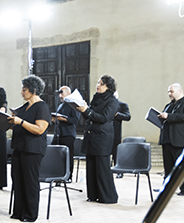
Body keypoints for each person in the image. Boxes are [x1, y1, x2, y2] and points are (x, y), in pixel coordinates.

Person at [7, 75, 50, 222]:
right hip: (19, 147)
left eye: (24, 90)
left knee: (30, 182)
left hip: (33, 150)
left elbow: (39, 129)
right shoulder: (24, 107)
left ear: (34, 90)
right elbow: (19, 123)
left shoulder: (42, 107)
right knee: (18, 180)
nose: (21, 92)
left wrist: (21, 122)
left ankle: (30, 214)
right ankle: (19, 211)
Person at [76, 75, 119, 204]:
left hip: (102, 138)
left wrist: (87, 111)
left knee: (102, 169)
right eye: (98, 83)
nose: (98, 85)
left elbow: (104, 118)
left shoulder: (112, 101)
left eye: (101, 83)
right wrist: (83, 109)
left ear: (108, 87)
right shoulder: (96, 98)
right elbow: (90, 116)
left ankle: (108, 197)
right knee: (91, 167)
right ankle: (93, 195)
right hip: (91, 136)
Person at [158, 83, 184, 196]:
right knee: (168, 167)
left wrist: (169, 117)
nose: (169, 94)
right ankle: (166, 188)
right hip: (167, 140)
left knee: (181, 167)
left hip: (179, 140)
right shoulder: (168, 105)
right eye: (168, 92)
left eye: (171, 91)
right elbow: (166, 117)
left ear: (180, 91)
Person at [52, 86, 79, 179]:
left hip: (68, 134)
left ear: (68, 94)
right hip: (59, 133)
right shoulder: (60, 105)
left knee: (68, 156)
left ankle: (68, 176)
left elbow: (75, 120)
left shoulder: (73, 104)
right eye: (59, 93)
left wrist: (63, 119)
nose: (60, 96)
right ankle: (58, 174)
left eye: (62, 93)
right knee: (56, 155)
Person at [112, 90, 130, 176]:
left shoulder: (122, 105)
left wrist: (117, 115)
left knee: (116, 152)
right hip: (105, 132)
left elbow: (128, 116)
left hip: (116, 132)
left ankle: (119, 171)